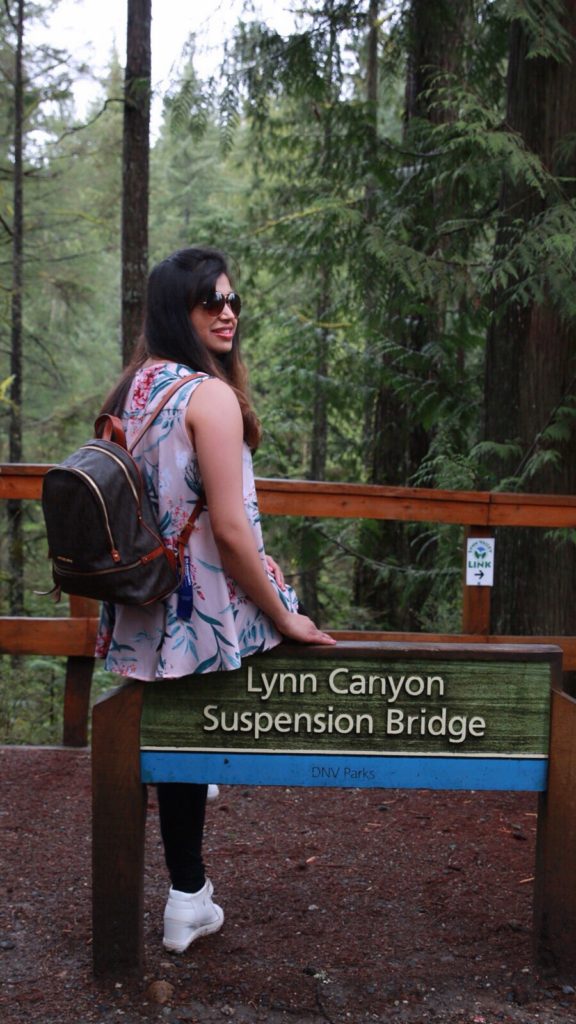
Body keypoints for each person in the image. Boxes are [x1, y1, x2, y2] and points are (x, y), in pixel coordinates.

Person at [95, 245, 335, 954]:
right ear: (179, 311)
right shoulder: (211, 398)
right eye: (211, 302)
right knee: (193, 740)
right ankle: (186, 894)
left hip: (145, 598)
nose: (228, 313)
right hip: (201, 608)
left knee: (177, 746)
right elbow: (230, 529)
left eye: (233, 301)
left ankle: (188, 897)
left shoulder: (130, 391)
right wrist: (284, 612)